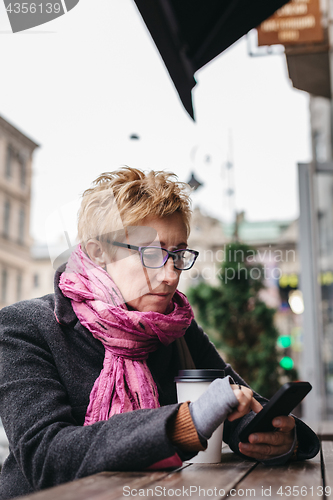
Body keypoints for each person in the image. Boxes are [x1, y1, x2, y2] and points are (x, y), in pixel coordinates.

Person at [0, 167, 319, 499]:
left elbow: (235, 404)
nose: (170, 276)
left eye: (178, 255)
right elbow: (45, 458)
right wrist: (181, 424)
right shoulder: (24, 327)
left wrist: (280, 438)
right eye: (151, 254)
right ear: (98, 253)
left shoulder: (176, 328)